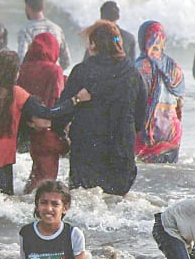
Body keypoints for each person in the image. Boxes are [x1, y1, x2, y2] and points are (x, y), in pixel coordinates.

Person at [53, 20, 146, 196]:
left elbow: (63, 111)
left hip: (87, 148)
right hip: (121, 147)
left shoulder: (82, 71)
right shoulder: (133, 73)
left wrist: (59, 132)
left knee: (85, 201)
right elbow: (141, 116)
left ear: (95, 44)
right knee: (116, 204)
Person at [0, 51, 89, 194]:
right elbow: (48, 113)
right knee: (2, 203)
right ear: (12, 73)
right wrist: (76, 100)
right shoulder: (16, 94)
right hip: (2, 159)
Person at [17, 33, 67, 193]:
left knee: (36, 175)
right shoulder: (55, 70)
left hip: (30, 128)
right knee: (46, 180)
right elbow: (57, 98)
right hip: (49, 129)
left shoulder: (23, 69)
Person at [134, 21, 185, 163]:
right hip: (172, 133)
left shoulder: (140, 67)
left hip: (149, 134)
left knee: (146, 178)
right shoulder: (174, 67)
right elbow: (180, 102)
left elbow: (134, 101)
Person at [17, 0, 70, 69]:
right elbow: (66, 61)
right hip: (55, 76)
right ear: (43, 7)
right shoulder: (57, 29)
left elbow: (22, 59)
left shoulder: (25, 31)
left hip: (35, 76)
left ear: (27, 7)